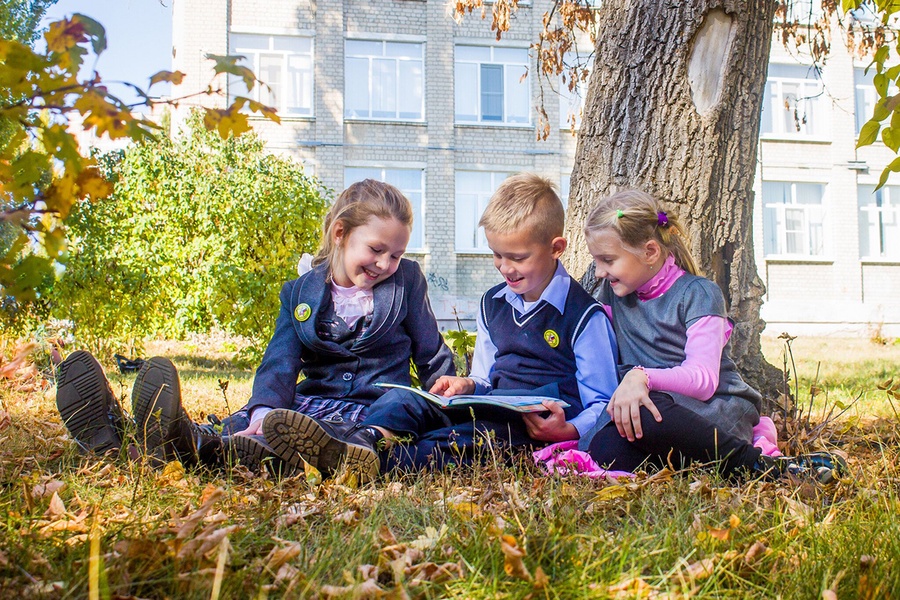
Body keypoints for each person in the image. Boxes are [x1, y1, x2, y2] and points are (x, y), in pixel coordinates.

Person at [55, 179, 456, 473]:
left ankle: (325, 450)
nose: (385, 264)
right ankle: (142, 434)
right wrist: (263, 411)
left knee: (404, 402)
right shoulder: (300, 292)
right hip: (307, 407)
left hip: (374, 409)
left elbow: (430, 351)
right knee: (256, 422)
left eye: (396, 254)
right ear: (340, 234)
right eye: (376, 250)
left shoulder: (407, 281)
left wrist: (447, 395)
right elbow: (280, 360)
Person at [261, 173, 620, 483]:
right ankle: (362, 441)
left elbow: (603, 402)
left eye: (518, 257)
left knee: (464, 440)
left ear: (556, 248)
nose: (505, 267)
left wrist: (570, 430)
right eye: (497, 254)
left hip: (529, 425)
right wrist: (465, 384)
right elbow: (485, 377)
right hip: (490, 402)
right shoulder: (493, 303)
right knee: (405, 399)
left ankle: (368, 464)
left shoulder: (584, 317)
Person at [578, 189, 845, 482]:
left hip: (710, 409)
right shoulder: (614, 293)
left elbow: (704, 380)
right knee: (604, 449)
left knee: (645, 412)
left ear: (650, 252)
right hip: (653, 410)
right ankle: (712, 464)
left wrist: (641, 377)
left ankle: (760, 466)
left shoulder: (699, 294)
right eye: (597, 261)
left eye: (608, 260)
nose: (600, 272)